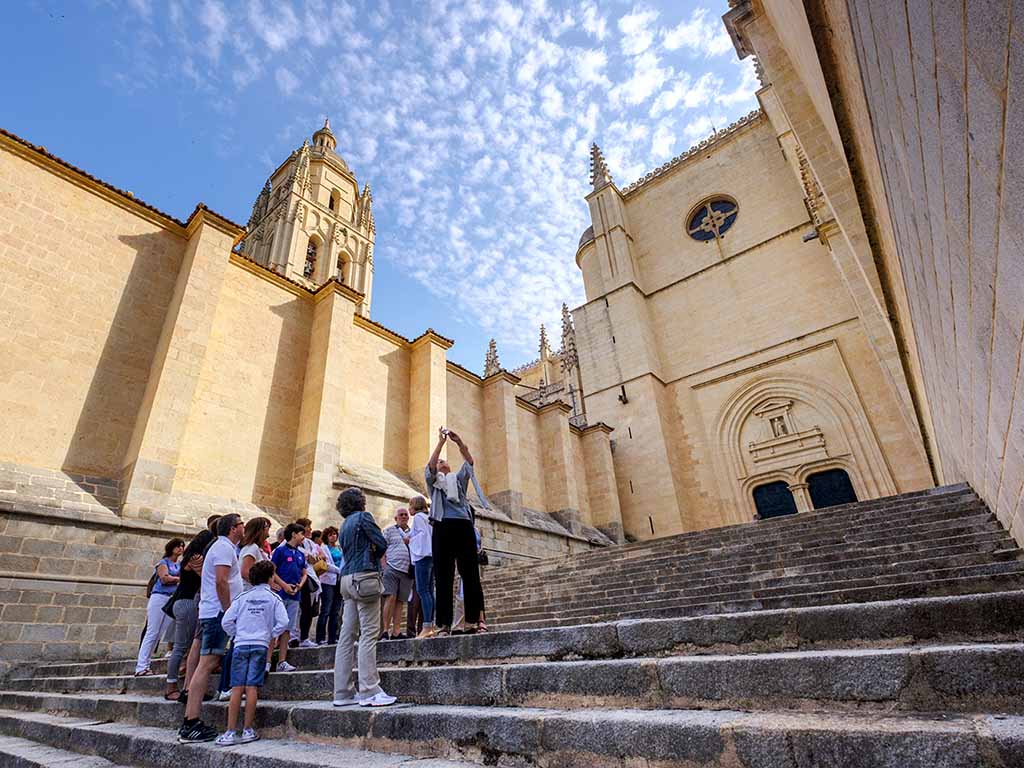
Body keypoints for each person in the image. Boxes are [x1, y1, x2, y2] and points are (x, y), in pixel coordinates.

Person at [177, 513, 244, 744]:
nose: (244, 526)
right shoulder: (224, 548)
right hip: (217, 613)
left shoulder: (221, 547)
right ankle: (191, 722)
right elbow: (221, 581)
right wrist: (228, 612)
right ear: (233, 528)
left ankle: (190, 720)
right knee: (206, 665)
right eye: (241, 523)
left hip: (212, 612)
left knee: (206, 664)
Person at [332, 486, 396, 708]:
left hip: (346, 580)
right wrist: (374, 555)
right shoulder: (363, 517)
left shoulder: (343, 525)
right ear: (360, 502)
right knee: (369, 633)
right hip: (364, 577)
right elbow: (381, 543)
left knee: (346, 636)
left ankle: (342, 692)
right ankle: (370, 690)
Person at [216, 560, 289, 747]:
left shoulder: (242, 597)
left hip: (241, 644)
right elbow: (283, 622)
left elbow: (227, 621)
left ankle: (230, 731)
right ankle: (248, 729)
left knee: (236, 688)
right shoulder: (274, 598)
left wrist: (237, 634)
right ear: (270, 577)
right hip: (260, 645)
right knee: (252, 687)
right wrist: (270, 634)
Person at [425, 428, 484, 636]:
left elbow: (469, 462)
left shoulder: (458, 480)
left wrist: (459, 442)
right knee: (443, 576)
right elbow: (431, 466)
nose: (442, 462)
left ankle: (471, 622)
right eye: (440, 462)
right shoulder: (434, 484)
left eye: (444, 461)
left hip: (463, 525)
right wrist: (440, 443)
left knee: (470, 574)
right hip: (442, 526)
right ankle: (443, 624)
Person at [164, 528, 216, 703]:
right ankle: (171, 688)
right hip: (187, 603)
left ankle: (186, 686)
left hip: (185, 602)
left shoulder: (189, 556)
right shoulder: (196, 558)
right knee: (180, 647)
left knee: (184, 647)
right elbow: (207, 577)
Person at [135, 538, 183, 676]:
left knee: (159, 633)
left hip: (171, 599)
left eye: (182, 546)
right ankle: (141, 666)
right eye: (177, 546)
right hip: (159, 597)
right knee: (152, 631)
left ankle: (146, 664)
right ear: (171, 548)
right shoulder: (163, 562)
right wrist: (179, 579)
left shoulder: (179, 565)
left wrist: (174, 578)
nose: (180, 548)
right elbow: (164, 578)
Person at [270, 523, 305, 670]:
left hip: (295, 595)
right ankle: (267, 660)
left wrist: (300, 585)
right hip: (280, 594)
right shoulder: (280, 551)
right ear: (293, 534)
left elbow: (304, 572)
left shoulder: (301, 554)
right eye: (301, 534)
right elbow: (272, 570)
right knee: (274, 626)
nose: (303, 537)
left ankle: (282, 661)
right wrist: (283, 585)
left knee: (287, 629)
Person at [381, 508, 414, 640]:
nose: (404, 516)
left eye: (406, 514)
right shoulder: (389, 531)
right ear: (396, 518)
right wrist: (384, 566)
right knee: (391, 597)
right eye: (401, 515)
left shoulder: (412, 532)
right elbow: (382, 549)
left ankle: (396, 631)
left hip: (407, 571)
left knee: (400, 601)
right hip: (392, 568)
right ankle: (385, 630)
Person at [408, 495, 436, 639]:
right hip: (431, 556)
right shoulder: (428, 517)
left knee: (423, 590)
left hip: (422, 556)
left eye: (410, 505)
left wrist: (409, 539)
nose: (409, 509)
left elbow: (422, 537)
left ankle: (427, 626)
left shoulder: (418, 517)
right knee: (429, 591)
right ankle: (430, 625)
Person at [294, 517, 322, 648]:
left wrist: (313, 557)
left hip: (311, 578)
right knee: (299, 609)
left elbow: (317, 558)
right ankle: (294, 636)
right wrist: (307, 556)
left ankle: (304, 637)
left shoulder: (310, 543)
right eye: (307, 527)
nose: (310, 529)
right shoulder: (292, 542)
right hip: (299, 577)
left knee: (309, 609)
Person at [315, 526, 343, 645]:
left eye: (335, 534)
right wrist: (339, 570)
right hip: (327, 581)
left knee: (336, 611)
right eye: (331, 534)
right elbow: (326, 564)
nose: (333, 536)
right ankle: (320, 637)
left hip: (338, 581)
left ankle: (333, 637)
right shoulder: (323, 548)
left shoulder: (339, 549)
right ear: (326, 536)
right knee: (326, 609)